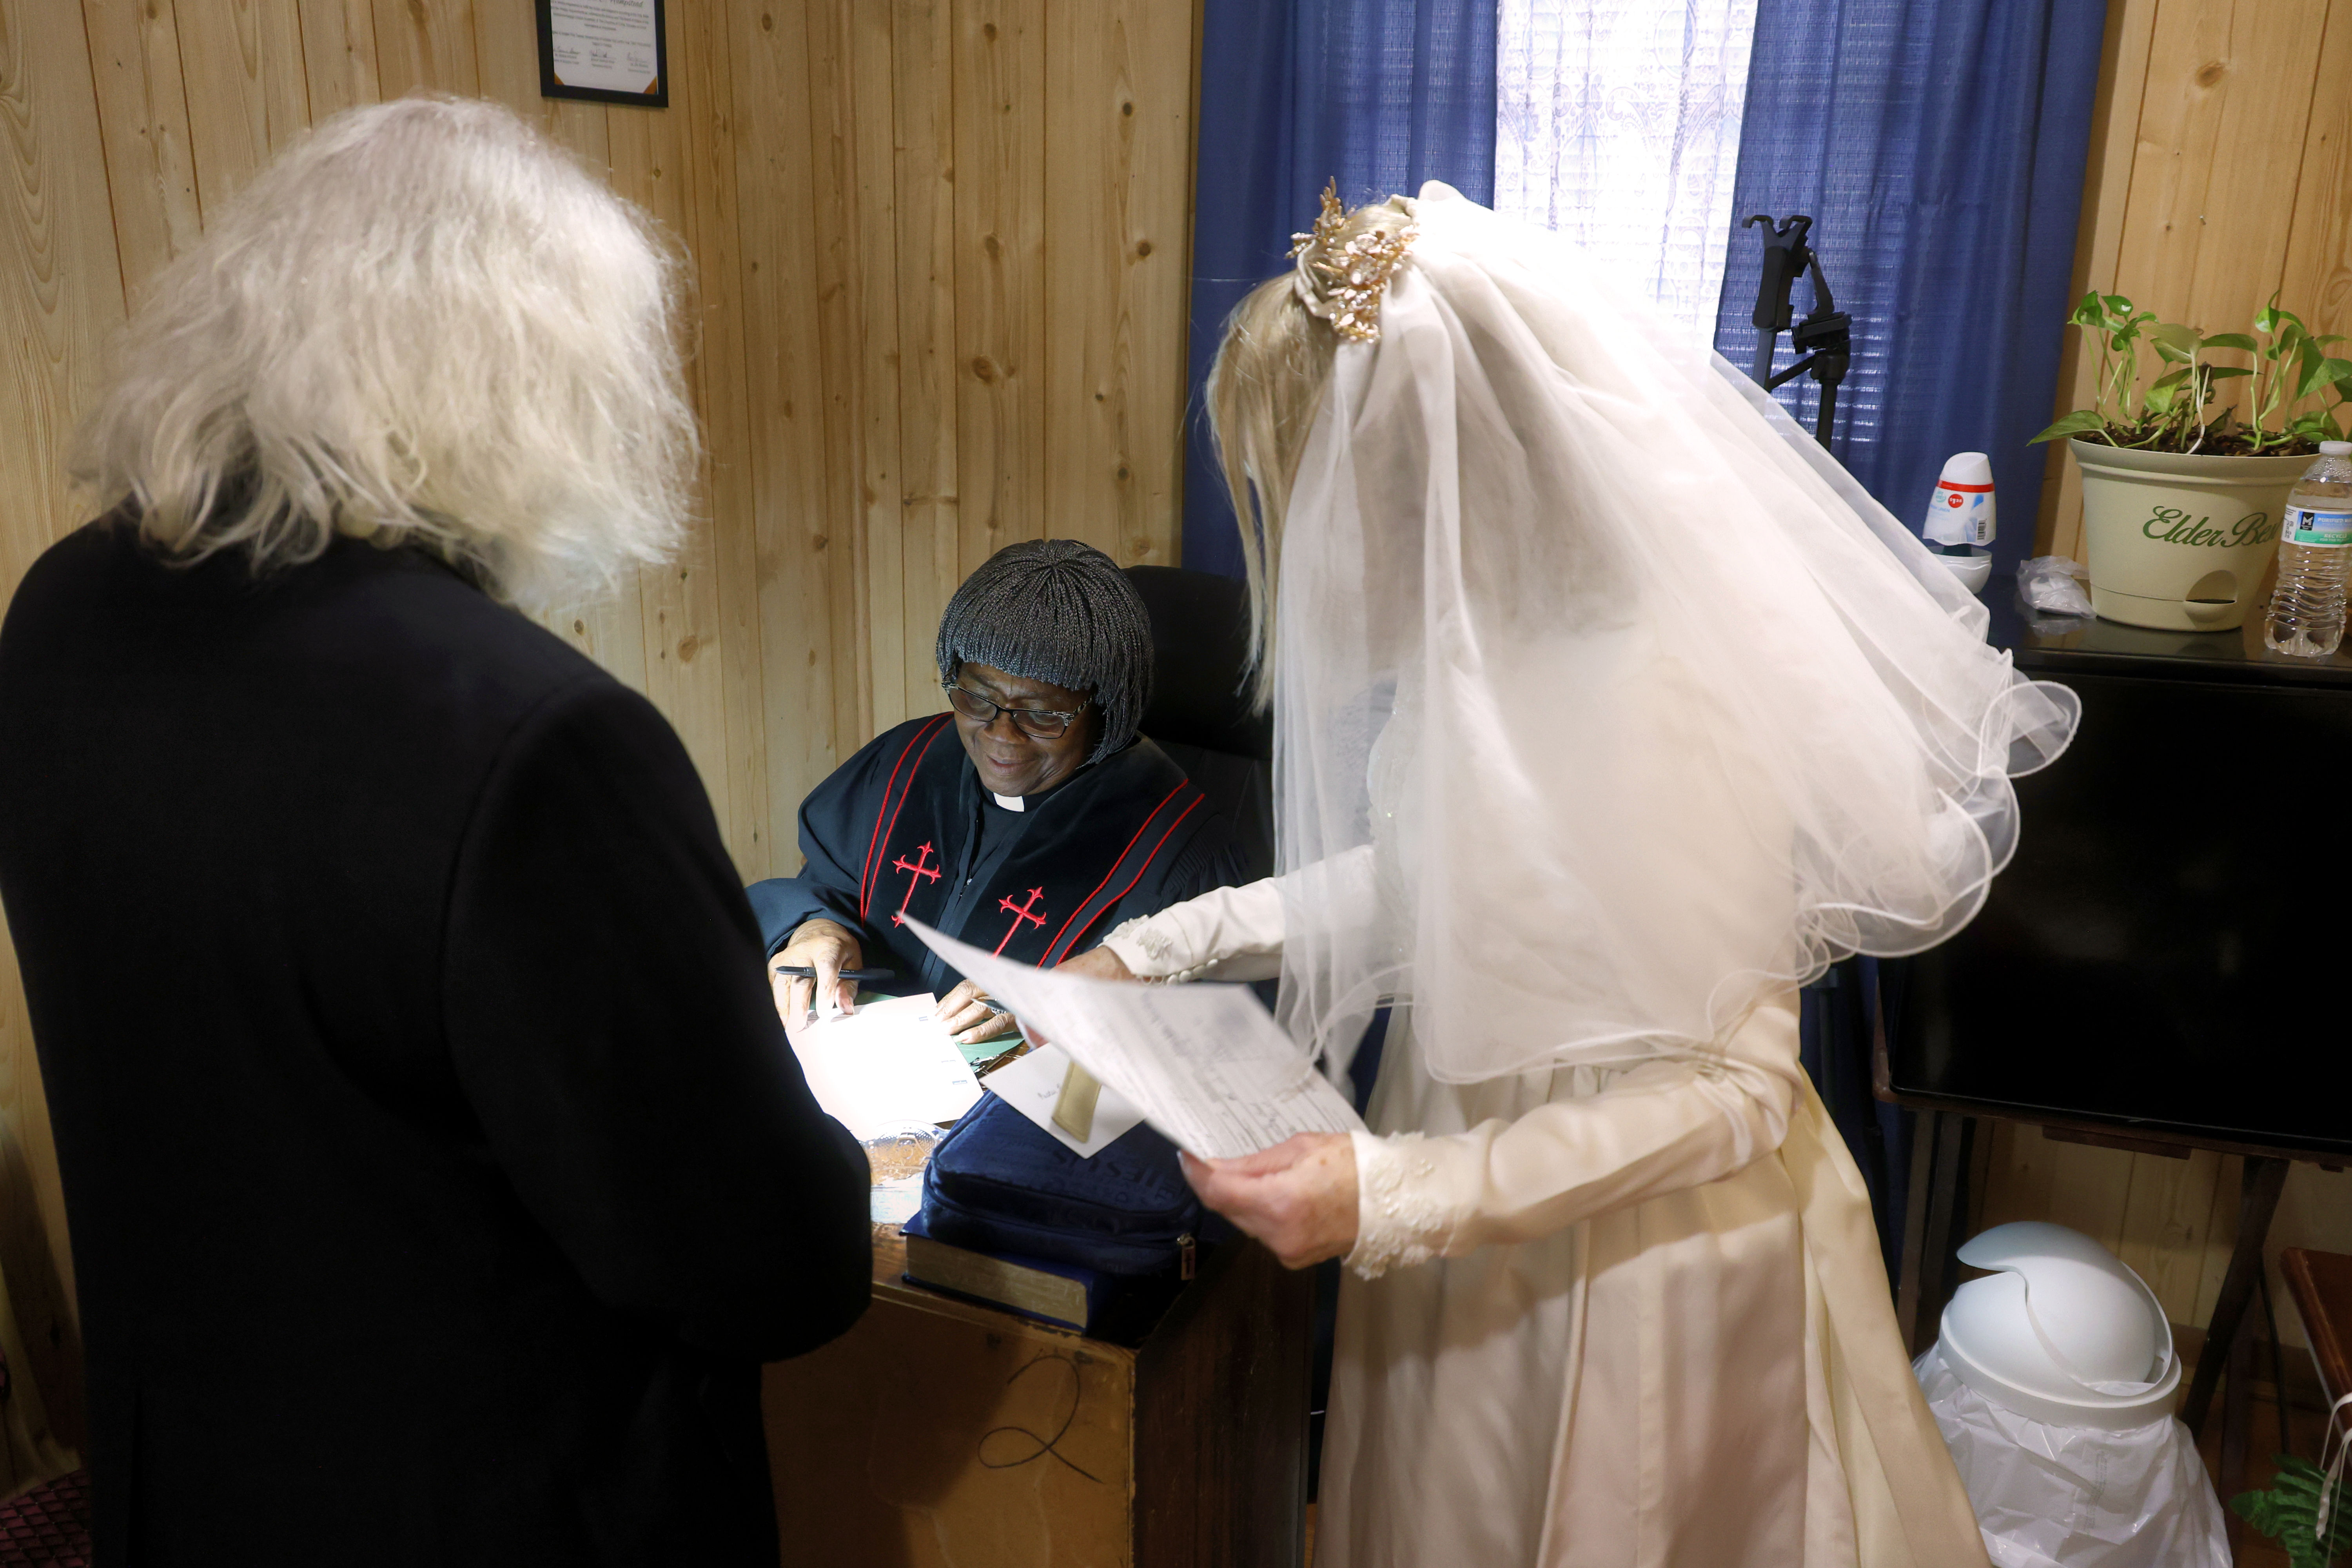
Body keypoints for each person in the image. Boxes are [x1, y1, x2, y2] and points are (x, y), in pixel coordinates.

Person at [1064, 185, 2080, 1566]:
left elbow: (1734, 1094)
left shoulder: (1659, 692)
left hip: (1624, 1257)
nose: (1297, 546)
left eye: (1305, 494)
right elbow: (1430, 882)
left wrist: (1397, 1194)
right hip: (1459, 1185)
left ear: (1412, 477)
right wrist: (1165, 945)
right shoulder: (1477, 645)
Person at [0, 98, 872, 1566]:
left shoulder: (62, 614)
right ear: (531, 383)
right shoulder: (532, 736)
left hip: (196, 1488)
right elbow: (769, 1263)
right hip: (510, 1507)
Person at [750, 539, 1246, 1043]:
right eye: (976, 698)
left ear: (1105, 710)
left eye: (1042, 714)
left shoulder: (1174, 849)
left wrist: (1054, 1011)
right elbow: (828, 881)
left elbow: (1192, 1035)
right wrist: (815, 928)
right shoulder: (907, 760)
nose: (1002, 735)